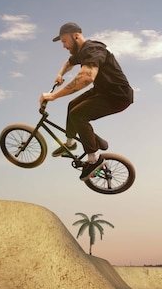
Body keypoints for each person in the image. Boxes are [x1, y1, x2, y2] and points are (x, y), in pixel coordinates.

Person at [39, 22, 133, 181]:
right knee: (72, 106)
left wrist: (54, 96)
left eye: (64, 41)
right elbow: (69, 63)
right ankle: (70, 144)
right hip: (103, 91)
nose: (63, 46)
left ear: (75, 36)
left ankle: (93, 159)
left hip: (117, 97)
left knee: (78, 115)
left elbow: (87, 77)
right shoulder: (82, 51)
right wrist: (60, 74)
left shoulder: (93, 50)